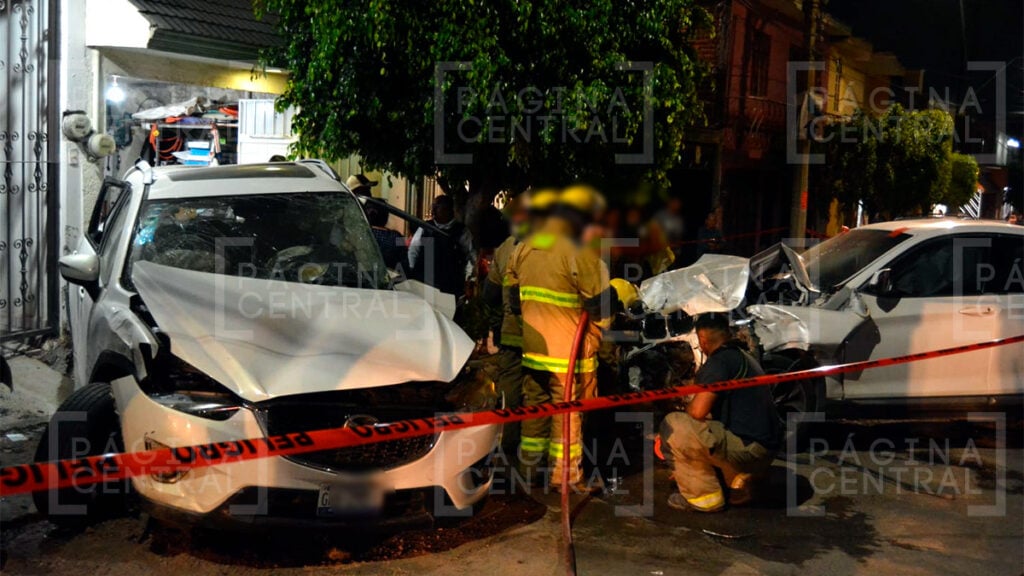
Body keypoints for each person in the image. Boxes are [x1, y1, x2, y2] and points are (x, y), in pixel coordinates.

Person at [506, 185, 614, 491]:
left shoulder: (525, 247)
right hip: (567, 354)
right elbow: (600, 304)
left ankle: (528, 470)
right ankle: (564, 477)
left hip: (533, 349)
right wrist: (601, 331)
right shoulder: (578, 251)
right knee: (567, 415)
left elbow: (513, 300)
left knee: (535, 410)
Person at [659, 312, 781, 512]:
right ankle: (739, 482)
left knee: (675, 425)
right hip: (766, 448)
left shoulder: (720, 362)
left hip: (749, 450)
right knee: (705, 431)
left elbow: (698, 412)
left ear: (703, 339)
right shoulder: (744, 357)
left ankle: (704, 498)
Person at [482, 189, 558, 461]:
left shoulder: (506, 249)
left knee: (510, 393)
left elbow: (488, 294)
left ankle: (507, 447)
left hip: (512, 335)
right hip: (546, 338)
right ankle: (538, 458)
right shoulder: (555, 247)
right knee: (541, 395)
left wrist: (496, 321)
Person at [407, 194, 476, 296]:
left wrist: (468, 278)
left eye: (438, 208)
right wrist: (412, 271)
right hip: (424, 283)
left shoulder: (462, 231)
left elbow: (471, 256)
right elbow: (413, 251)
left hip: (450, 286)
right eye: (433, 208)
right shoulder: (425, 227)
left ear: (449, 210)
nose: (433, 212)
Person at [363, 199, 407, 270]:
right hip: (391, 279)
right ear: (386, 215)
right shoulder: (396, 237)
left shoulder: (360, 235)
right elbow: (405, 266)